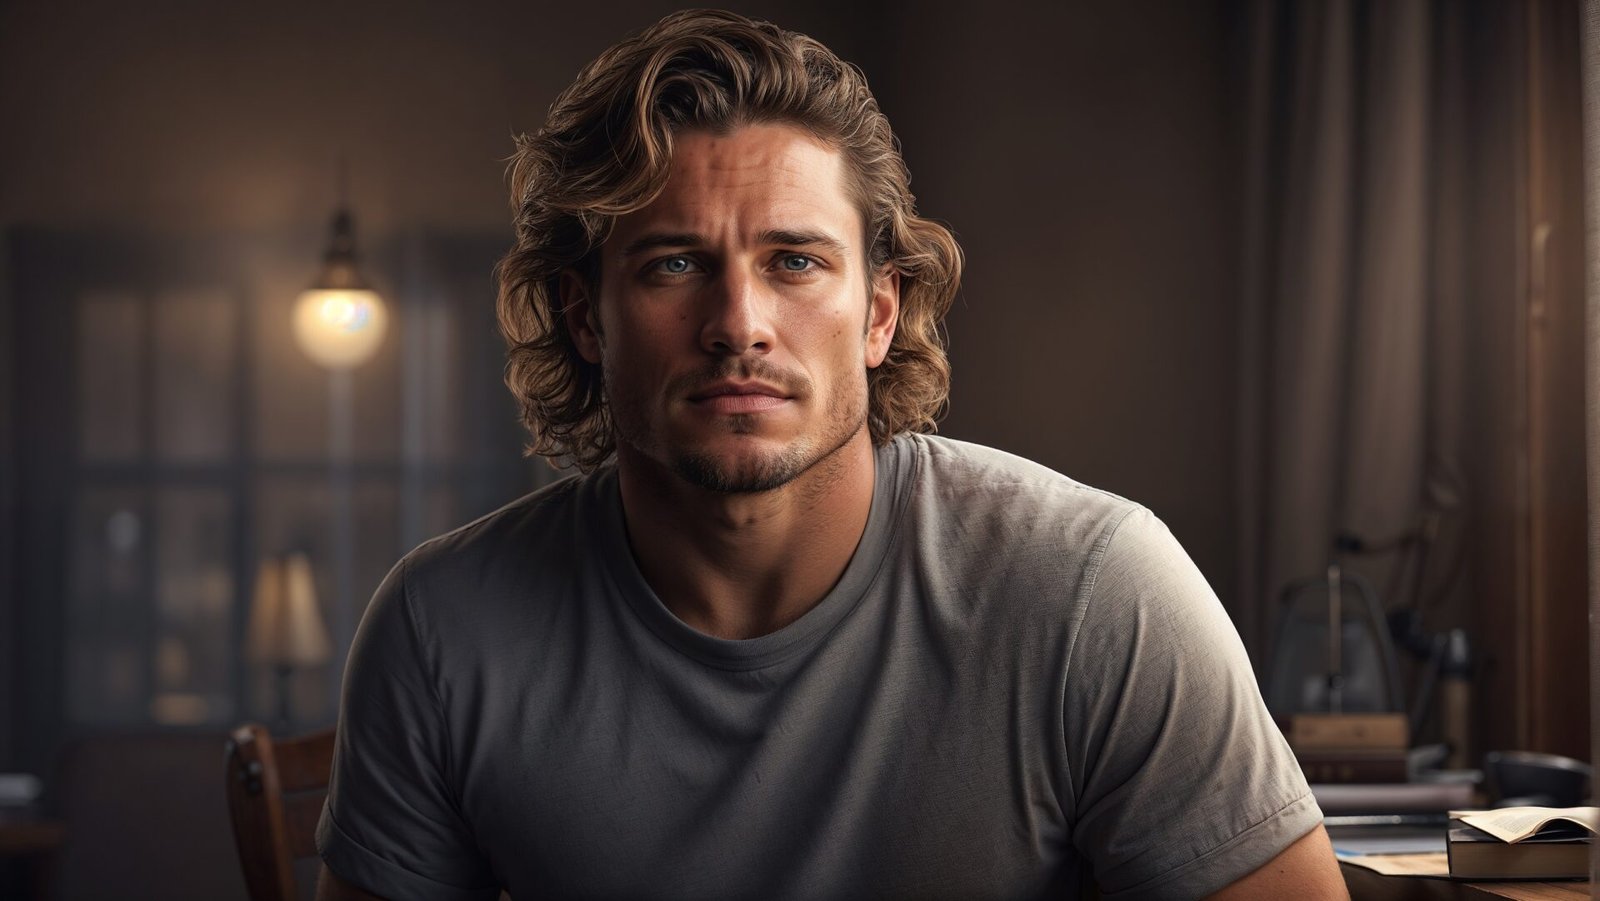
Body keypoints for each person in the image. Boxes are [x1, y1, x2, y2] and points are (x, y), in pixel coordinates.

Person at [316, 10, 1347, 900]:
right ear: (586, 319)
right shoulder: (440, 628)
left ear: (879, 312)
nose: (739, 323)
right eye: (674, 263)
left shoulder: (1094, 591)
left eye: (795, 261)